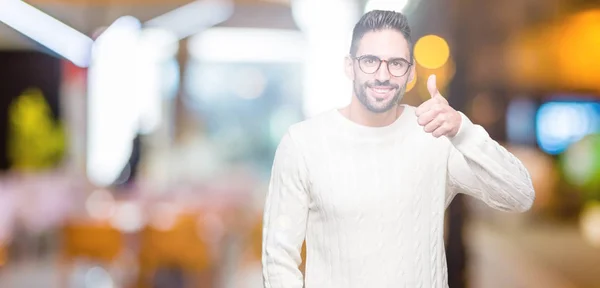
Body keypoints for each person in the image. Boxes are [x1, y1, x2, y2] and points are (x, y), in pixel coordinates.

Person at [261, 9, 535, 288]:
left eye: (396, 63)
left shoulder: (436, 138)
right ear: (349, 66)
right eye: (369, 61)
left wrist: (463, 131)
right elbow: (278, 259)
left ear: (410, 71)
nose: (383, 75)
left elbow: (520, 195)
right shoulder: (303, 143)